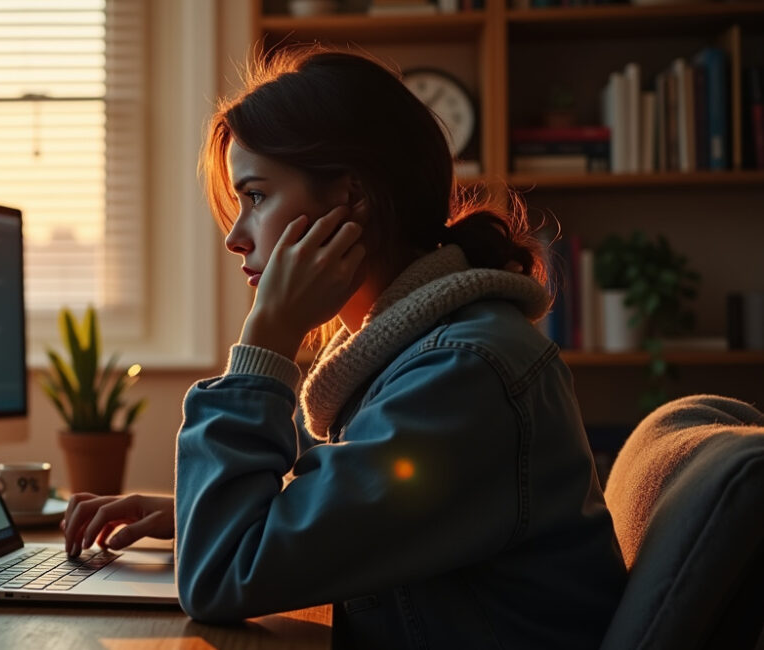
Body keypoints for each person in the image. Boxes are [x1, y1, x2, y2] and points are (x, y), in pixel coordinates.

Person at [61, 45, 626, 648]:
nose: (234, 236)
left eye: (255, 196)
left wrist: (264, 343)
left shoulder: (463, 376)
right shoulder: (418, 356)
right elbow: (349, 505)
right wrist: (195, 515)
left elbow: (220, 578)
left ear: (351, 197)